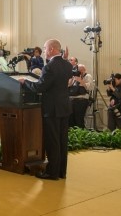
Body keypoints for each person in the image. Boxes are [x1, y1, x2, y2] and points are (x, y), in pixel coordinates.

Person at [19, 39, 72, 180]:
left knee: (52, 141)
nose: (44, 51)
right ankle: (61, 172)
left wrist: (25, 82)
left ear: (52, 49)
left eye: (45, 48)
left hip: (52, 109)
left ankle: (52, 173)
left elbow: (40, 87)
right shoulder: (67, 65)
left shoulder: (49, 67)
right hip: (64, 107)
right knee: (62, 141)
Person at [68, 64, 93, 128]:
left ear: (83, 70)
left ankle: (81, 134)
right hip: (71, 100)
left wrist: (80, 81)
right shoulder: (74, 77)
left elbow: (90, 87)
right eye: (77, 70)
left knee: (79, 119)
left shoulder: (88, 76)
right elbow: (68, 86)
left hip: (81, 100)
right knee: (71, 120)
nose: (78, 72)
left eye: (80, 70)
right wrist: (72, 79)